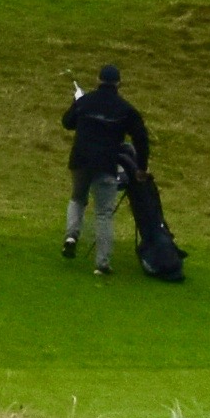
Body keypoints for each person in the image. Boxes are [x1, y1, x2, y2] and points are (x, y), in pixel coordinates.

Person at [60, 66, 151, 278]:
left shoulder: (85, 101)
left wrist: (76, 102)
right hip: (106, 164)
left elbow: (67, 123)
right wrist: (141, 168)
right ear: (119, 83)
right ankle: (102, 263)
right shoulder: (126, 109)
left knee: (77, 198)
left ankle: (71, 237)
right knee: (103, 213)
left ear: (98, 79)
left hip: (80, 161)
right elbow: (141, 139)